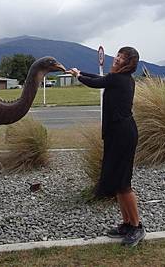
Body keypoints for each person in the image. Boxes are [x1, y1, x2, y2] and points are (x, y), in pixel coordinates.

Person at [67, 46, 145, 247]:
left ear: (129, 63)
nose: (117, 58)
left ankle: (137, 227)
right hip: (118, 134)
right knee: (118, 184)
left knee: (124, 184)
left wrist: (78, 76)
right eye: (118, 55)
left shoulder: (119, 79)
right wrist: (80, 72)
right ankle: (127, 224)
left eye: (122, 57)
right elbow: (100, 78)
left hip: (124, 135)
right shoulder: (120, 78)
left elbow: (96, 82)